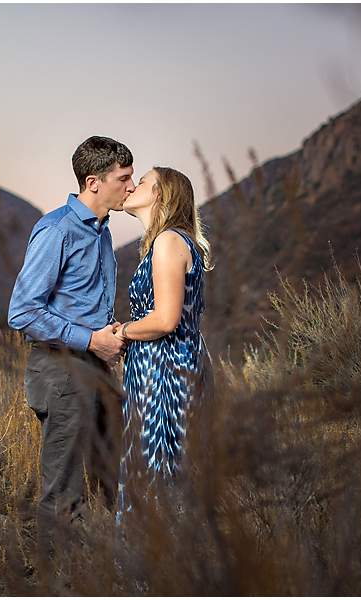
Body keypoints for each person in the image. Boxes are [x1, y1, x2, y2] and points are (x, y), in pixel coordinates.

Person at [8, 135, 133, 557]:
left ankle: (106, 571)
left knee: (115, 474)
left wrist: (107, 332)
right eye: (124, 178)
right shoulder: (57, 228)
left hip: (96, 368)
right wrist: (90, 338)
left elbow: (80, 304)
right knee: (64, 488)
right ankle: (57, 580)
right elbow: (22, 311)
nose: (130, 187)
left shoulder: (101, 233)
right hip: (61, 370)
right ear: (94, 182)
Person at [113, 166, 213, 513]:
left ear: (161, 194)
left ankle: (155, 563)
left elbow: (166, 319)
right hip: (164, 365)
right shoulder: (168, 241)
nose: (132, 186)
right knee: (162, 471)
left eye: (141, 182)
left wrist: (123, 331)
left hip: (164, 371)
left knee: (158, 472)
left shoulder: (169, 241)